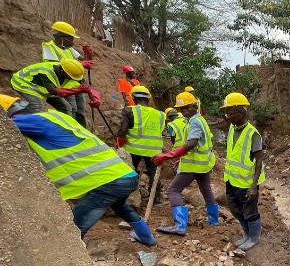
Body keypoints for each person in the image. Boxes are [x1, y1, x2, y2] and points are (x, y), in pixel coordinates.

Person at [0, 95, 155, 245]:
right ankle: (147, 238)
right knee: (122, 208)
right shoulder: (57, 117)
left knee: (75, 228)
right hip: (124, 176)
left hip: (109, 182)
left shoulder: (32, 121)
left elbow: (6, 125)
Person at [152, 91, 218, 235]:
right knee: (206, 189)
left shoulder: (194, 122)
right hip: (204, 164)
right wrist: (180, 159)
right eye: (181, 109)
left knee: (173, 190)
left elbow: (192, 143)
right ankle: (214, 220)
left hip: (194, 166)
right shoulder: (199, 120)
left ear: (194, 106)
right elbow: (199, 145)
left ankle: (180, 226)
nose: (183, 111)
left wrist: (168, 155)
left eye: (186, 107)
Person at [221, 93, 265, 251]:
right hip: (232, 180)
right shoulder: (232, 129)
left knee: (250, 211)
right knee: (235, 209)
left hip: (247, 182)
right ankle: (246, 234)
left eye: (230, 113)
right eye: (226, 113)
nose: (228, 117)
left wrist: (254, 185)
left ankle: (253, 237)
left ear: (241, 112)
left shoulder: (252, 133)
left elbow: (259, 160)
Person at [116, 86, 166, 206]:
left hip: (133, 148)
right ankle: (156, 199)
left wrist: (119, 144)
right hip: (153, 149)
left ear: (133, 97)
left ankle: (127, 198)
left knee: (129, 172)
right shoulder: (160, 114)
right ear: (148, 98)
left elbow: (123, 130)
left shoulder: (129, 110)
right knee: (154, 174)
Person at [41, 21, 93, 126]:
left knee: (80, 109)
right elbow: (54, 66)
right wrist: (80, 63)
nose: (72, 41)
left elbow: (86, 61)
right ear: (61, 37)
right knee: (71, 109)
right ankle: (71, 130)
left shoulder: (70, 49)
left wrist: (88, 53)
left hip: (77, 81)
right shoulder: (49, 47)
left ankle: (82, 131)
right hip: (65, 84)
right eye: (70, 38)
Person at [11, 59, 93, 116]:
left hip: (42, 87)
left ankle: (65, 129)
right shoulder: (46, 72)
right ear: (64, 72)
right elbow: (54, 92)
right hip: (24, 83)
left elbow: (81, 80)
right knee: (38, 108)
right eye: (71, 77)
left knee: (66, 108)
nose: (72, 79)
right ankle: (19, 116)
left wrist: (92, 94)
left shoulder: (66, 68)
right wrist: (79, 90)